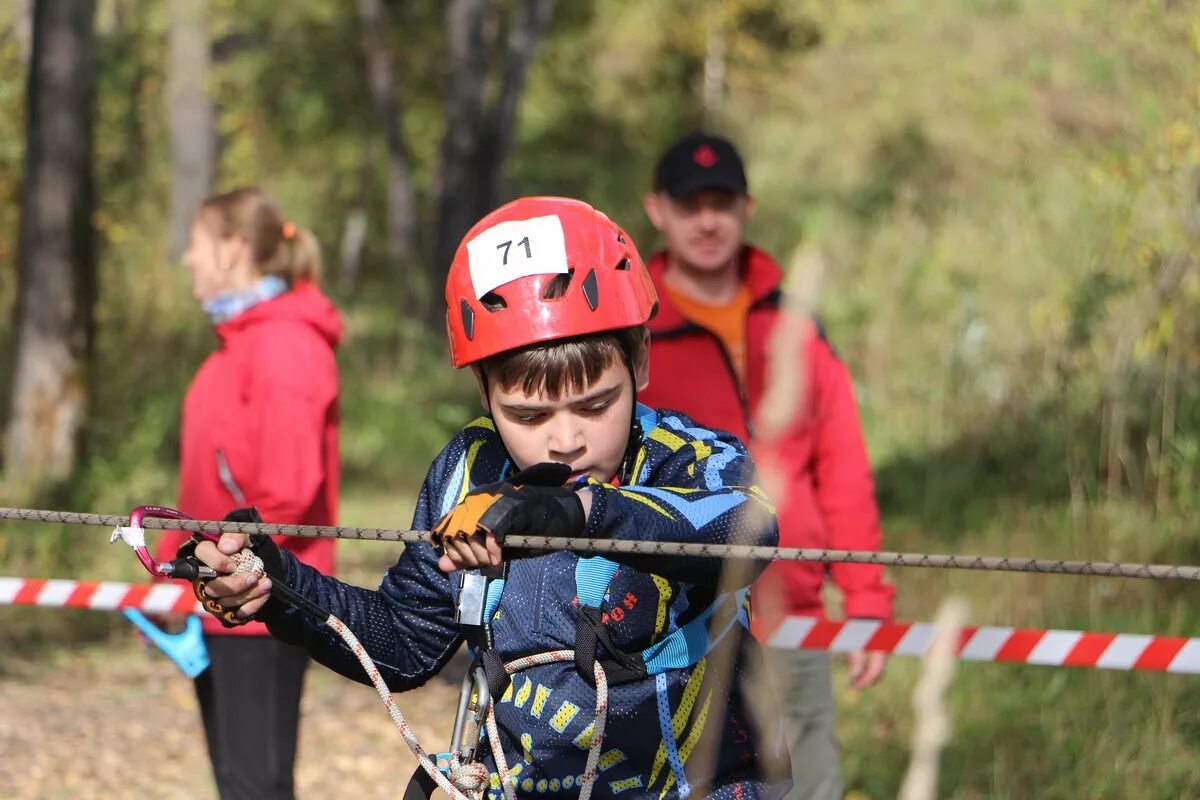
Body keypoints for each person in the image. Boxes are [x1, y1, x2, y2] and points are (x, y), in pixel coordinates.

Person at [184, 196, 791, 799]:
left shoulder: (690, 456)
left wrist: (573, 514)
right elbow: (402, 643)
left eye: (596, 404)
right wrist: (278, 586)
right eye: (528, 414)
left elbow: (750, 528)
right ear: (483, 391)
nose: (565, 441)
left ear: (640, 361)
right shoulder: (470, 469)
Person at [640, 132, 895, 800]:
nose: (707, 220)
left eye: (721, 202)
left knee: (810, 786)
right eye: (690, 204)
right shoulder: (630, 331)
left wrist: (867, 599)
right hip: (675, 627)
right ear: (657, 210)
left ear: (747, 208)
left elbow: (842, 468)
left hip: (792, 615)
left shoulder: (797, 324)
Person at [153, 187, 343, 800]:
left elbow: (287, 491)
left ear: (233, 250)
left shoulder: (285, 343)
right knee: (237, 785)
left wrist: (227, 567)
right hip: (219, 599)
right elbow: (209, 486)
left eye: (197, 244)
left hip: (262, 605)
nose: (187, 258)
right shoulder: (236, 345)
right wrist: (172, 569)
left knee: (257, 788)